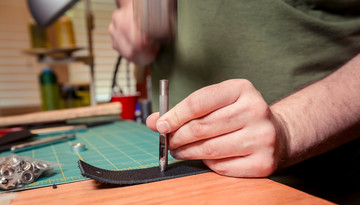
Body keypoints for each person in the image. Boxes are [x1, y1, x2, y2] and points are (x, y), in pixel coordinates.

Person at [109, 0, 360, 180]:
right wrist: (134, 11)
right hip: (185, 181)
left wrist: (289, 127)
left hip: (318, 189)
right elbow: (138, 13)